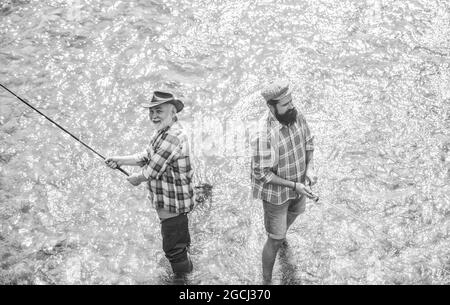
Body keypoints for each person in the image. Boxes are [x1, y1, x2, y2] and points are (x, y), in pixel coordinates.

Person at [105, 91, 194, 277]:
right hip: (171, 206)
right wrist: (119, 160)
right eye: (151, 112)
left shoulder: (173, 136)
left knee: (174, 252)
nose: (154, 116)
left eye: (158, 111)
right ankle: (187, 269)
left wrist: (137, 179)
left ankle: (185, 281)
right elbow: (145, 156)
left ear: (172, 111)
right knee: (179, 245)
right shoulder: (162, 132)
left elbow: (152, 170)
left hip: (173, 207)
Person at [251, 80, 318, 284]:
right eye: (285, 104)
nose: (291, 106)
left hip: (299, 188)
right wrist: (293, 185)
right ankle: (266, 282)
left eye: (291, 101)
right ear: (271, 107)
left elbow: (309, 141)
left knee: (295, 213)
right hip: (276, 196)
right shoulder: (263, 134)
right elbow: (262, 174)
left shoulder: (296, 115)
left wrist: (310, 168)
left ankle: (281, 235)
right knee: (275, 239)